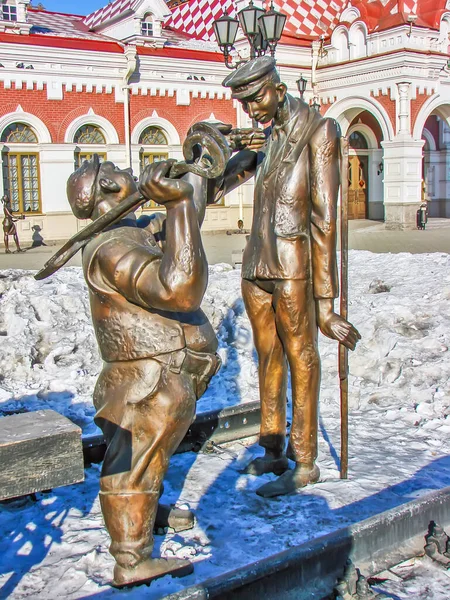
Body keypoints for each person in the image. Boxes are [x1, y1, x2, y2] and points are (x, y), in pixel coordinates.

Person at [67, 155, 220, 588]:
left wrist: (205, 167)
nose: (126, 169)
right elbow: (180, 289)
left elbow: (188, 212)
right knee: (134, 463)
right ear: (107, 189)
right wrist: (180, 203)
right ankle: (131, 559)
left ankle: (144, 514)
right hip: (147, 384)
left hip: (163, 376)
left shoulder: (129, 231)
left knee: (150, 459)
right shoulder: (112, 248)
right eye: (114, 168)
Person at [215, 56, 360, 498]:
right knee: (267, 357)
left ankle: (306, 459)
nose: (251, 109)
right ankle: (273, 445)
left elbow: (324, 219)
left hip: (294, 266)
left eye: (256, 98)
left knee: (302, 357)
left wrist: (327, 302)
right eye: (243, 102)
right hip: (257, 264)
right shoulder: (270, 135)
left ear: (278, 88)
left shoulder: (319, 131)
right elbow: (238, 180)